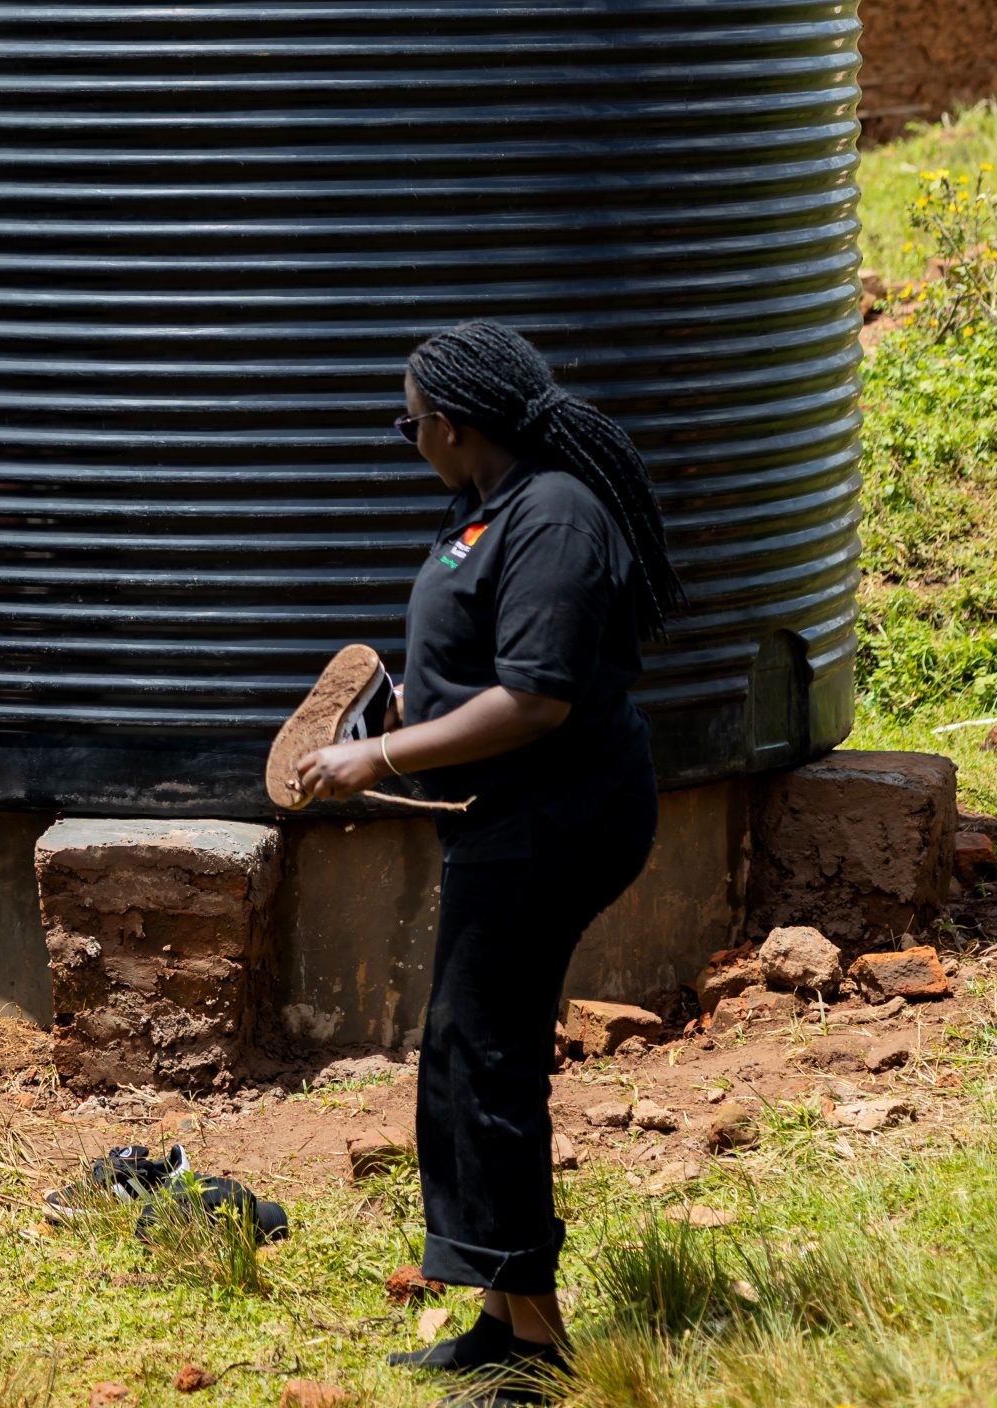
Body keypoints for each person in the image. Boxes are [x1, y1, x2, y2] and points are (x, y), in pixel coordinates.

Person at [292, 323, 684, 1405]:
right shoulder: (489, 512)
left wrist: (375, 753)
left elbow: (539, 696)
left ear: (454, 423)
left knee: (492, 1056)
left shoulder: (555, 514)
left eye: (408, 420)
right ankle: (498, 1316)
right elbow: (488, 665)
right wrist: (412, 698)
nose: (405, 436)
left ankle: (542, 1346)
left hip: (560, 817)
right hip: (505, 816)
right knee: (462, 1053)